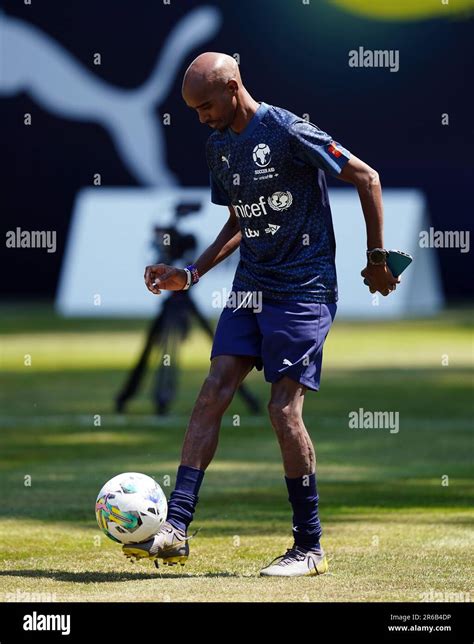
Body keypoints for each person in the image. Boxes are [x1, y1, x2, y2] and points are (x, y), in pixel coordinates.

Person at [123, 52, 399, 577]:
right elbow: (238, 219)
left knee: (282, 410)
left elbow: (367, 177)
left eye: (205, 105)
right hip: (251, 288)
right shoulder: (218, 145)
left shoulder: (289, 130)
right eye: (193, 110)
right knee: (213, 390)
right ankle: (176, 528)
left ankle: (308, 546)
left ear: (233, 87)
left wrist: (377, 259)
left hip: (304, 288)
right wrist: (193, 272)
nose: (200, 117)